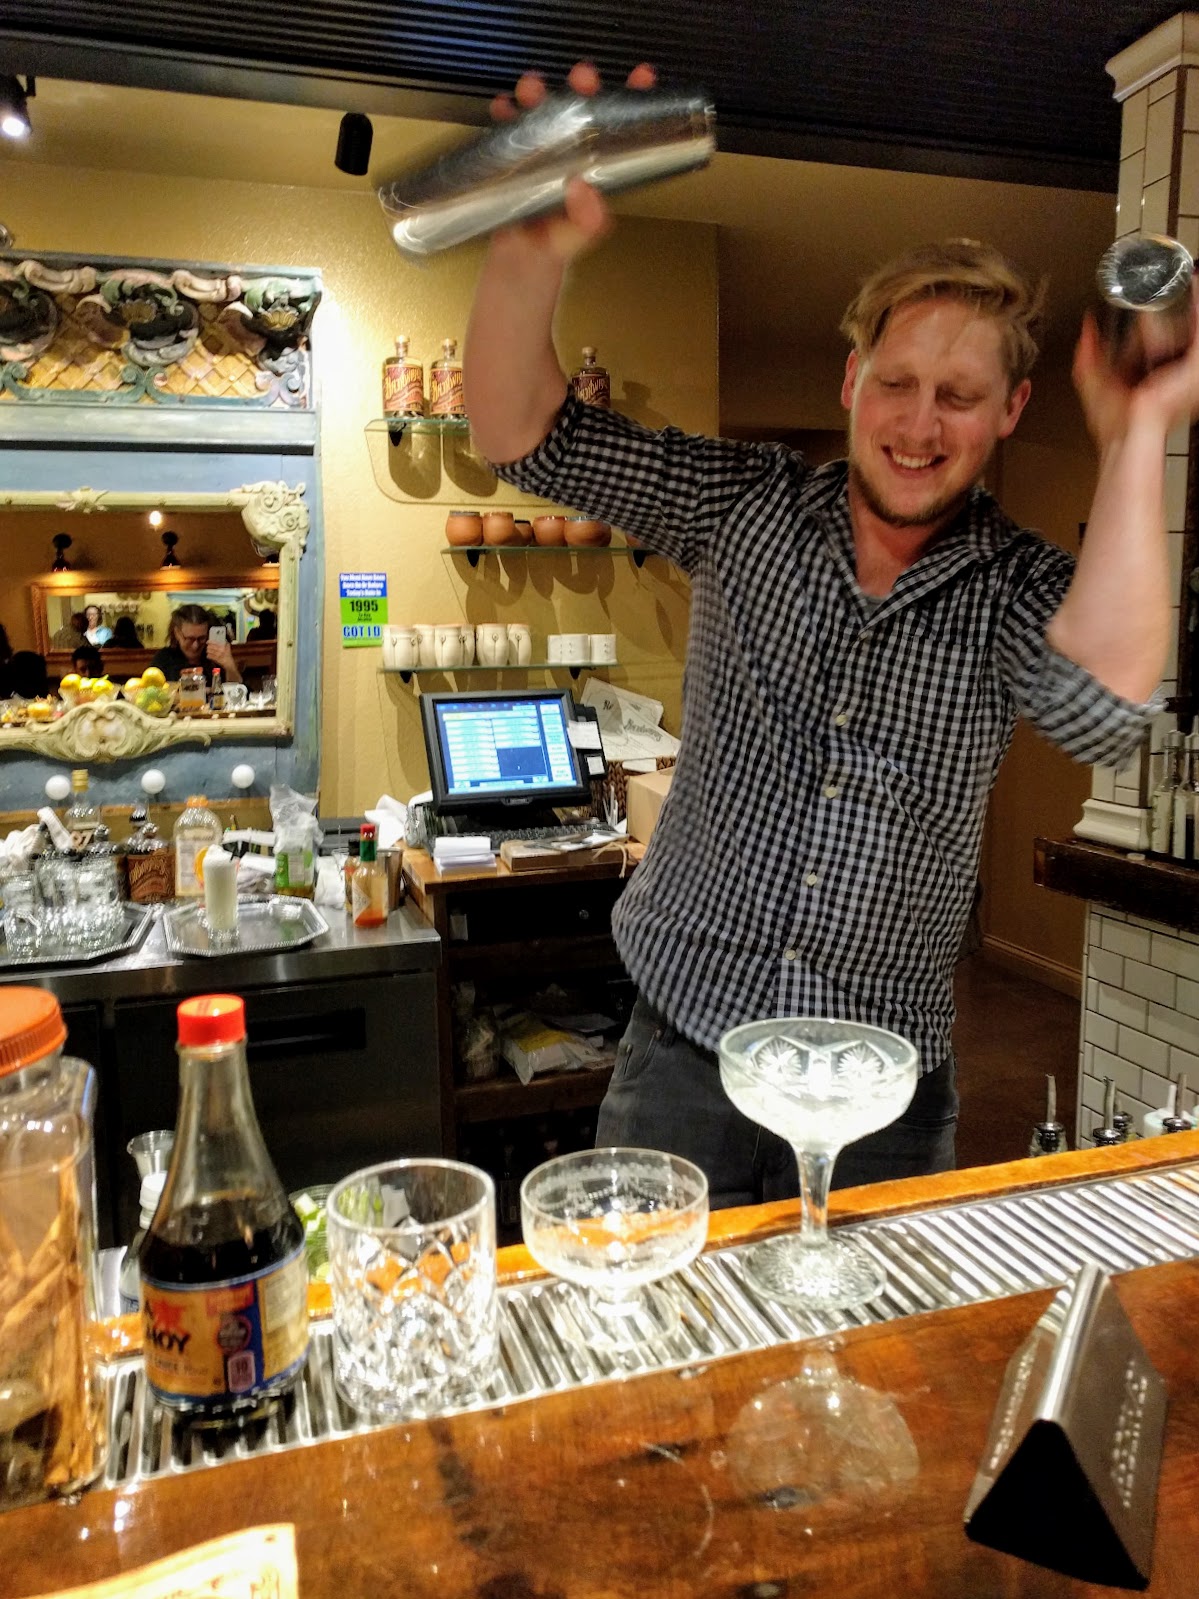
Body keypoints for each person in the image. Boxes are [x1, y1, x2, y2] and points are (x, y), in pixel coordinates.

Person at [462, 62, 1199, 1206]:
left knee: (866, 1330)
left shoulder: (1013, 586)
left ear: (1009, 411)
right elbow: (523, 437)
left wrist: (1137, 426)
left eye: (958, 397)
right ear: (851, 380)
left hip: (882, 1092)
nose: (918, 423)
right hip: (685, 1055)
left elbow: (1099, 711)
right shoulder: (743, 502)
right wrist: (526, 253)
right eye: (896, 383)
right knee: (659, 1314)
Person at [149, 603, 241, 685]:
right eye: (190, 639)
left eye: (201, 638)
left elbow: (238, 693)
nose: (195, 645)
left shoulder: (216, 656)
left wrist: (230, 667)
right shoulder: (164, 659)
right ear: (177, 633)